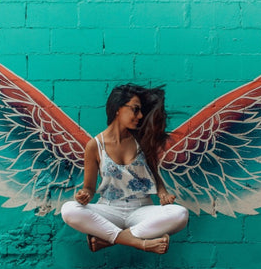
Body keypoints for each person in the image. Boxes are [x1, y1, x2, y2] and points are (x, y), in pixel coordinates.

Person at [61, 83, 189, 254]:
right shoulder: (95, 146)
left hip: (141, 210)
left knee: (180, 214)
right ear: (117, 109)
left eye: (141, 110)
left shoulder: (142, 140)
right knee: (69, 210)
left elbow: (155, 176)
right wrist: (84, 195)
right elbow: (89, 188)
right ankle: (138, 242)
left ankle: (108, 240)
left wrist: (163, 194)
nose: (140, 115)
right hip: (109, 209)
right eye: (135, 110)